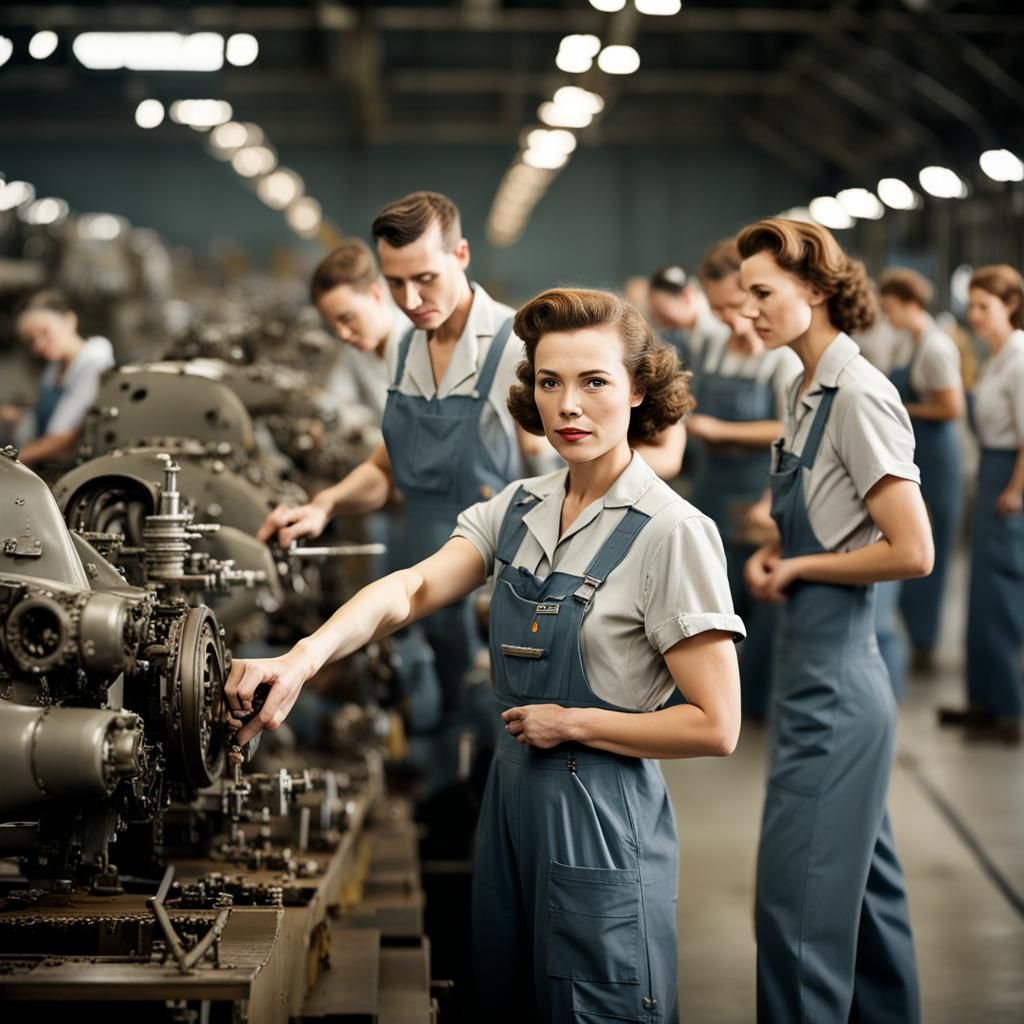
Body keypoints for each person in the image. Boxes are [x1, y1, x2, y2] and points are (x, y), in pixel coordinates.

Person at [227, 287, 743, 1022]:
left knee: (595, 1001)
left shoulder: (673, 532)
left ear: (638, 392)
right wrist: (302, 659)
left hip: (597, 811)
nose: (569, 405)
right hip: (509, 798)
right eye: (549, 381)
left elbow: (716, 725)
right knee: (505, 995)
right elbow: (409, 589)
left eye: (594, 382)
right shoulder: (521, 506)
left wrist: (575, 724)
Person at [738, 218, 933, 1023]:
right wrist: (775, 549)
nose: (743, 310)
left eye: (761, 293)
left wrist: (806, 565)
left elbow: (913, 548)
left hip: (839, 686)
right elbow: (830, 511)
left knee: (795, 919)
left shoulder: (857, 392)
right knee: (867, 909)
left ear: (815, 290)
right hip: (810, 673)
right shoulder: (804, 384)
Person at [259, 191, 545, 717]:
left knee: (494, 711)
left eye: (425, 278)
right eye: (395, 283)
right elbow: (384, 470)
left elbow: (554, 476)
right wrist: (326, 505)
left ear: (460, 256)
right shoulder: (406, 348)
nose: (410, 299)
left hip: (497, 575)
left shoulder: (517, 346)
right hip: (420, 561)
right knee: (429, 698)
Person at [686, 238, 801, 718]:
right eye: (719, 310)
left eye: (737, 305)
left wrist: (723, 429)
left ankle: (753, 706)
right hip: (712, 488)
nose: (732, 319)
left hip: (757, 492)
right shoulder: (711, 346)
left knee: (758, 607)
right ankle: (706, 701)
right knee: (708, 599)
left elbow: (792, 427)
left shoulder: (782, 358)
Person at [939, 264, 1024, 745]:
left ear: (1009, 306)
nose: (973, 315)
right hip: (991, 472)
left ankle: (1008, 708)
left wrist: (1014, 490)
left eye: (983, 306)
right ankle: (983, 701)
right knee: (981, 600)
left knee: (1003, 598)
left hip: (1008, 477)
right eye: (970, 305)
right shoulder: (995, 357)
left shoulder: (1019, 356)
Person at [877, 268, 964, 677]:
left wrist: (898, 409)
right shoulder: (906, 343)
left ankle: (925, 644)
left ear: (908, 302)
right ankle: (913, 634)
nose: (886, 314)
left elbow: (951, 407)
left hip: (938, 455)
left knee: (931, 552)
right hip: (915, 452)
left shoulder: (934, 347)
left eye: (890, 306)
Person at [5, 290, 114, 467]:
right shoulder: (55, 367)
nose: (38, 346)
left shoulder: (94, 365)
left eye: (45, 332)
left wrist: (9, 462)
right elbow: (48, 415)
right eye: (31, 340)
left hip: (74, 470)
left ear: (69, 321)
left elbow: (62, 440)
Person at [312, 238, 407, 424]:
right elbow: (336, 397)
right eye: (333, 325)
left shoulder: (424, 345)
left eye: (347, 318)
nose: (343, 335)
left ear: (376, 294)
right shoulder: (355, 352)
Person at [647, 264, 728, 374]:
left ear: (687, 296)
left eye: (660, 310)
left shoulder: (719, 328)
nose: (659, 319)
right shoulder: (682, 332)